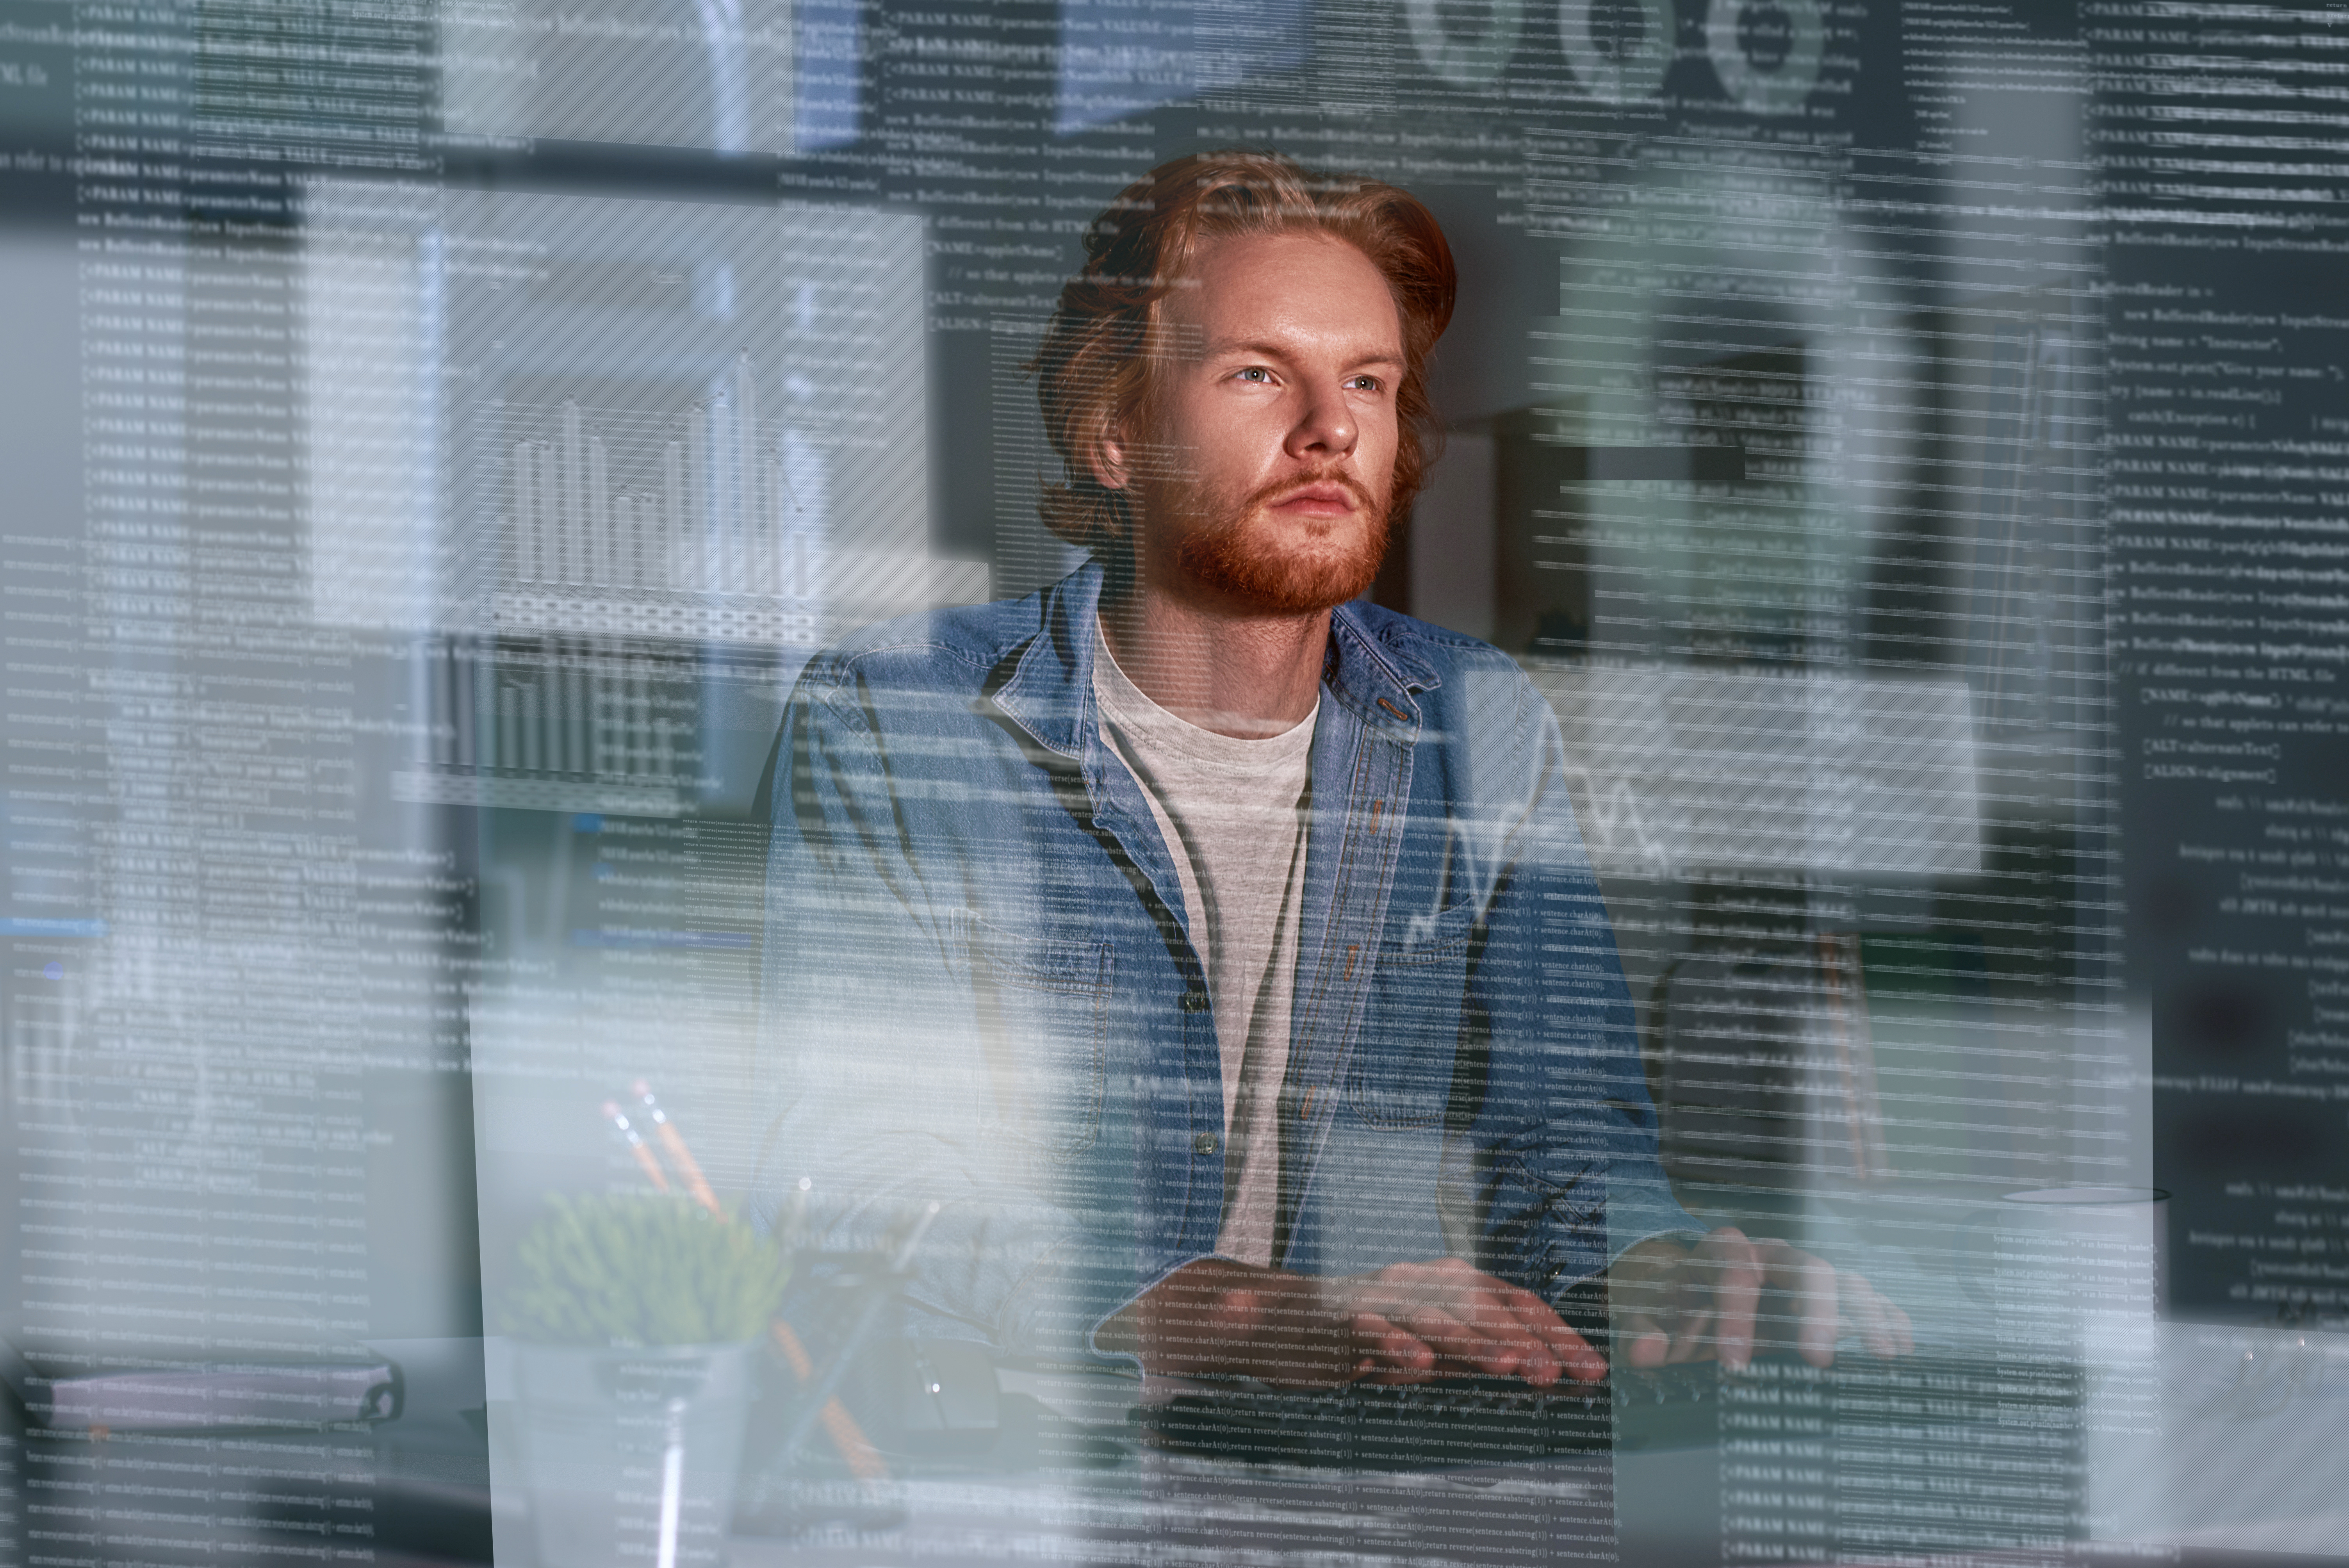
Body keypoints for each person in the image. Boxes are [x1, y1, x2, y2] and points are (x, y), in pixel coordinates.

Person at [753, 150, 1910, 1391]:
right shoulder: (901, 717)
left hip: (1374, 1464)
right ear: (1114, 434)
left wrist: (1658, 1268)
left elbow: (1566, 1158)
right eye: (1259, 374)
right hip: (1014, 1461)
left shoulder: (1481, 725)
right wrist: (1245, 1319)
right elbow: (867, 1182)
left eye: (1368, 379)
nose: (1333, 429)